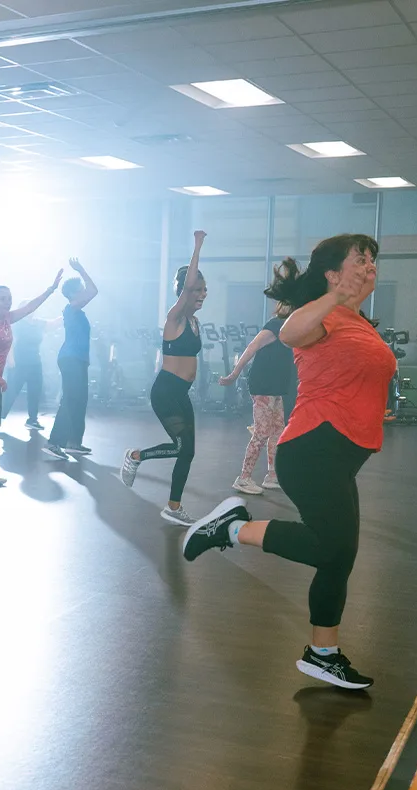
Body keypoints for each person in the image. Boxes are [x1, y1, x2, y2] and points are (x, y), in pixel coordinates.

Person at [182, 234, 392, 691]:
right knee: (332, 549)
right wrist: (334, 296)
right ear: (333, 273)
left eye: (373, 260)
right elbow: (290, 331)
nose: (370, 266)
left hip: (337, 454)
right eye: (360, 259)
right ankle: (231, 529)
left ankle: (323, 654)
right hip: (314, 448)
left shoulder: (356, 322)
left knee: (338, 556)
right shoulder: (324, 314)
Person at [121, 232, 207, 524]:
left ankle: (173, 507)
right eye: (198, 290)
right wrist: (197, 247)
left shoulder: (194, 322)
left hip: (181, 393)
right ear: (186, 291)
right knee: (182, 447)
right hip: (165, 392)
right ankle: (136, 457)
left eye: (204, 290)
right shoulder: (176, 318)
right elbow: (188, 285)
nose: (203, 294)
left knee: (189, 452)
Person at [0, 276, 62, 486]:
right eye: (2, 299)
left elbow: (29, 307)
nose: (7, 302)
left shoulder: (7, 318)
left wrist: (51, 289)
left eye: (9, 298)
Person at [219, 303, 295, 495]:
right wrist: (234, 373)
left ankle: (272, 476)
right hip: (263, 386)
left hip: (277, 388)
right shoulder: (275, 325)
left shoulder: (292, 329)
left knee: (277, 431)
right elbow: (252, 347)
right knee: (261, 432)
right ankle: (243, 478)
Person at [44, 259, 99, 460]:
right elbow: (93, 291)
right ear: (74, 294)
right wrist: (82, 270)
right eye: (80, 288)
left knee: (80, 400)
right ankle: (54, 442)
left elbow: (90, 290)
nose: (84, 289)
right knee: (70, 398)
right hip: (70, 358)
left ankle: (73, 442)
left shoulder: (77, 311)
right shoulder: (71, 308)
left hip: (79, 360)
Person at [3, 307, 46, 428]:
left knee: (35, 392)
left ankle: (32, 419)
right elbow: (10, 341)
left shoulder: (38, 323)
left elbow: (52, 324)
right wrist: (10, 358)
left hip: (35, 363)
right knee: (11, 391)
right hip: (19, 363)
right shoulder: (18, 323)